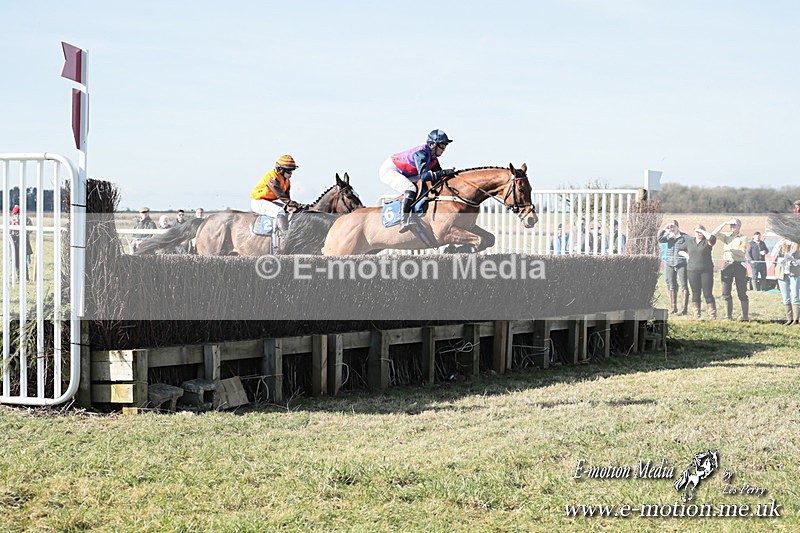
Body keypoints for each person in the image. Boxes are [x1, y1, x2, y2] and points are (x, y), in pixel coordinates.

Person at [379, 129, 454, 232]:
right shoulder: (421, 153)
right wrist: (443, 173)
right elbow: (423, 176)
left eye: (445, 145)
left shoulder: (433, 160)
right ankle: (404, 221)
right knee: (410, 188)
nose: (444, 149)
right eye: (442, 145)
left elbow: (439, 176)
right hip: (390, 169)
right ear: (432, 144)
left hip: (406, 172)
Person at [250, 155, 300, 233]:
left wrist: (294, 206)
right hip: (259, 201)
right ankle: (285, 235)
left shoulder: (287, 181)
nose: (291, 174)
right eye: (289, 171)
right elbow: (280, 195)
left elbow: (287, 198)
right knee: (279, 211)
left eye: (292, 171)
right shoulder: (272, 177)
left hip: (269, 201)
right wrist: (291, 203)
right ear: (280, 169)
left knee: (288, 210)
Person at [712, 218, 749, 321]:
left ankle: (745, 317)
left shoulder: (743, 238)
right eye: (731, 225)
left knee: (742, 292)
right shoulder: (726, 236)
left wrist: (730, 249)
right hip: (727, 265)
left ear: (739, 227)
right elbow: (714, 234)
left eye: (734, 225)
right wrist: (724, 223)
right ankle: (729, 317)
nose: (732, 227)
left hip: (739, 265)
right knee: (726, 292)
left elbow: (742, 252)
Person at [677, 225, 717, 320]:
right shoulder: (690, 243)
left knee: (708, 293)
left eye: (701, 232)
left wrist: (702, 231)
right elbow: (679, 250)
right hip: (692, 271)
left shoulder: (707, 242)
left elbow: (713, 239)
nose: (699, 234)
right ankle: (696, 315)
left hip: (706, 271)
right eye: (697, 232)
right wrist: (686, 255)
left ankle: (712, 315)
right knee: (695, 293)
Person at [657, 220, 690, 315]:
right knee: (671, 285)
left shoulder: (683, 237)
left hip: (681, 263)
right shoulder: (667, 237)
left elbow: (692, 241)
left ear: (677, 227)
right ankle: (673, 307)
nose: (672, 228)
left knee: (684, 285)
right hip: (669, 263)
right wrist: (664, 228)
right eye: (670, 226)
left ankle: (684, 309)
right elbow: (659, 239)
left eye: (673, 226)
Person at [770, 238, 800, 325]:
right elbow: (773, 255)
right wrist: (779, 245)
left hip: (794, 272)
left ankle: (796, 320)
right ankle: (789, 319)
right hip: (782, 272)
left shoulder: (797, 243)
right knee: (785, 296)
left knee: (795, 296)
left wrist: (793, 260)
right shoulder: (780, 243)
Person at [9, 205, 33, 281]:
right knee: (15, 260)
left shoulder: (26, 220)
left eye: (18, 214)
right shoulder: (11, 221)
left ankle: (25, 277)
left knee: (23, 260)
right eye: (15, 214)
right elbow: (9, 232)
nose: (17, 216)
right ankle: (19, 276)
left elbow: (30, 230)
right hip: (14, 241)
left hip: (23, 241)